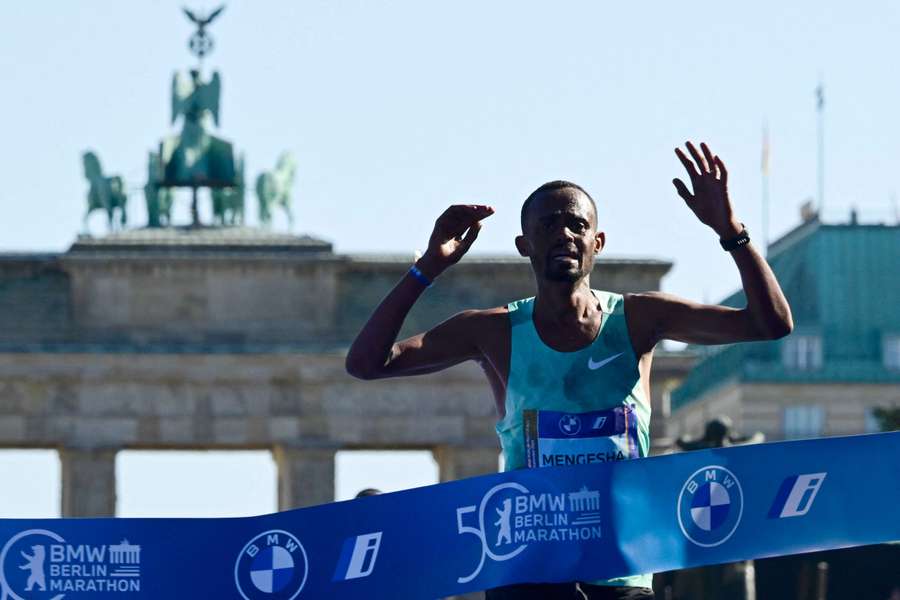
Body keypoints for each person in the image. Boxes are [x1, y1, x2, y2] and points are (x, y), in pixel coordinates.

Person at [345, 142, 793, 599]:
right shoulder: (494, 331)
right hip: (531, 574)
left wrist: (731, 230)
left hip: (620, 573)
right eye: (548, 225)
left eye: (578, 224)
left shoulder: (639, 320)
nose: (564, 234)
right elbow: (366, 363)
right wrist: (429, 266)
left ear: (597, 243)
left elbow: (770, 323)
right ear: (525, 245)